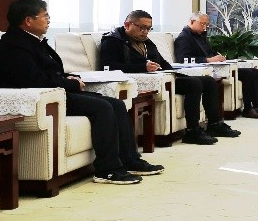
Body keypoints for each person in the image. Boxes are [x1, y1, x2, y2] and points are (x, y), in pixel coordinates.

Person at [0, 0, 163, 186]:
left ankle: (130, 160)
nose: (49, 20)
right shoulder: (14, 46)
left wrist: (70, 77)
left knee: (116, 104)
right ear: (28, 20)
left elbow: (49, 72)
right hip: (40, 99)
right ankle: (108, 169)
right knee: (103, 107)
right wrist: (70, 83)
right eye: (45, 16)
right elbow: (33, 80)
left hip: (54, 93)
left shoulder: (32, 41)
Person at [100, 10, 240, 144]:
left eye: (149, 28)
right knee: (194, 84)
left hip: (162, 78)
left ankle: (215, 124)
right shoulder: (112, 41)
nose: (145, 31)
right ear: (127, 24)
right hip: (140, 81)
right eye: (142, 27)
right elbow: (108, 67)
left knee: (208, 81)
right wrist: (142, 67)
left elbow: (162, 62)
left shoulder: (146, 42)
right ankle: (192, 131)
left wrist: (173, 74)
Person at [174, 12, 258, 119]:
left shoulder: (200, 36)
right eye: (202, 24)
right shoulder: (184, 38)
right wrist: (208, 60)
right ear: (192, 22)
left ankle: (257, 105)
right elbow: (183, 59)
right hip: (205, 69)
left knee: (253, 71)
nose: (204, 28)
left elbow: (210, 52)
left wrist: (219, 57)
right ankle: (247, 109)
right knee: (247, 73)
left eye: (206, 25)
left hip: (215, 66)